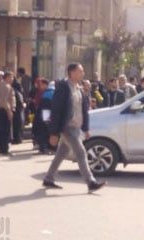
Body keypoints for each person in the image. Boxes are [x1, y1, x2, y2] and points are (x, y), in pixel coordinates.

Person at [43, 63, 106, 192]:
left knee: (61, 153)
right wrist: (53, 132)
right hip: (67, 127)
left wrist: (86, 128)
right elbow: (56, 110)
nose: (83, 73)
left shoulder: (79, 88)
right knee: (81, 152)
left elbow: (84, 110)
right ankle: (91, 182)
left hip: (76, 127)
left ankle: (48, 178)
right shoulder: (63, 88)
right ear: (72, 73)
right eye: (80, 71)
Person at [0, 72, 16, 156]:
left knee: (2, 130)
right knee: (5, 130)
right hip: (4, 110)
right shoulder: (5, 86)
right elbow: (4, 100)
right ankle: (4, 149)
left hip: (1, 110)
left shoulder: (0, 85)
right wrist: (9, 111)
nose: (12, 79)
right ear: (7, 77)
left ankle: (1, 149)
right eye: (11, 77)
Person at [35, 80, 55, 154]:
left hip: (45, 114)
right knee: (49, 130)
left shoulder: (45, 93)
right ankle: (50, 147)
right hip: (50, 114)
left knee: (44, 130)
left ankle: (43, 147)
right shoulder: (54, 93)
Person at [11, 77, 25, 145]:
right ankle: (19, 138)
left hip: (16, 111)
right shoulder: (19, 93)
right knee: (19, 125)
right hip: (19, 111)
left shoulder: (15, 92)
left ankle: (17, 139)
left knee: (16, 125)